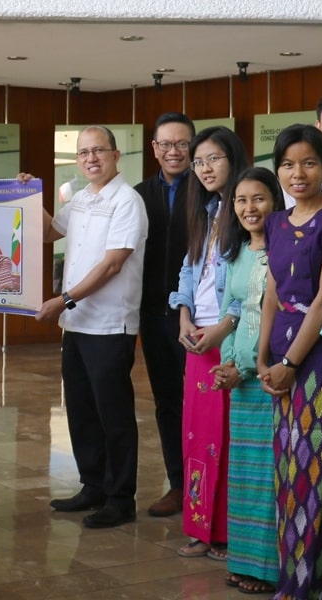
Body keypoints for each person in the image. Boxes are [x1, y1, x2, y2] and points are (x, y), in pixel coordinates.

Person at [30, 125, 148, 528]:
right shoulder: (80, 198)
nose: (91, 159)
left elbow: (113, 263)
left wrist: (63, 299)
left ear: (116, 155)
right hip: (76, 323)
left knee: (112, 413)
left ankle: (120, 498)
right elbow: (49, 233)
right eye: (83, 153)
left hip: (110, 325)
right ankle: (93, 485)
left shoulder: (128, 202)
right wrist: (28, 198)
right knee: (80, 409)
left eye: (99, 151)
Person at [257, 124, 322, 600]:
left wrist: (287, 361)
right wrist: (264, 357)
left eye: (308, 162)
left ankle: (308, 588)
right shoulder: (276, 222)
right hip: (280, 361)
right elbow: (272, 292)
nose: (296, 172)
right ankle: (291, 580)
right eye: (287, 163)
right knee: (287, 475)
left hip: (316, 360)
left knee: (312, 476)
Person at [169, 126, 248, 559]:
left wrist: (222, 328)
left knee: (228, 437)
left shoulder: (248, 209)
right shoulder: (207, 211)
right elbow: (189, 269)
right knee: (197, 436)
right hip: (197, 336)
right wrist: (183, 313)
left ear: (233, 159)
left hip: (230, 338)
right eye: (199, 162)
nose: (204, 168)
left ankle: (225, 531)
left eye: (213, 158)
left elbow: (254, 280)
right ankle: (200, 527)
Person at [210, 167, 284, 594]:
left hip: (273, 376)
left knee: (269, 476)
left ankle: (269, 567)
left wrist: (250, 366)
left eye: (258, 198)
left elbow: (280, 318)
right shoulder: (234, 254)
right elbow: (231, 313)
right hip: (240, 383)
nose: (249, 207)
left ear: (274, 201)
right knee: (244, 478)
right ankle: (243, 561)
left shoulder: (284, 251)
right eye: (240, 200)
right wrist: (226, 364)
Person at [134, 112, 194, 517]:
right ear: (154, 148)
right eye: (165, 144)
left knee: (206, 400)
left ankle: (210, 487)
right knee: (167, 401)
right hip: (154, 315)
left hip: (201, 318)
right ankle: (178, 484)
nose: (173, 152)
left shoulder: (210, 190)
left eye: (182, 144)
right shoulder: (136, 195)